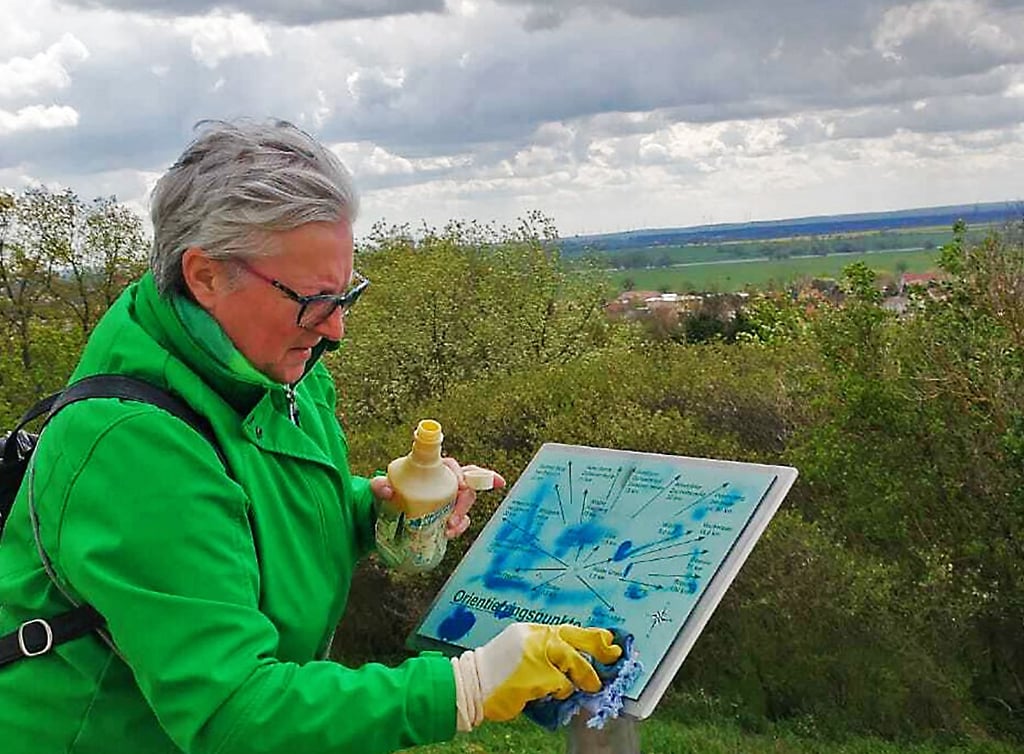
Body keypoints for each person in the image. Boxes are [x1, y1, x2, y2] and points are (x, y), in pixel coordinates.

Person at [0, 119, 620, 754]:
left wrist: (378, 513)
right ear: (206, 276)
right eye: (315, 300)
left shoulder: (273, 363)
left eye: (347, 294)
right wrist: (467, 686)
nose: (336, 330)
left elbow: (255, 511)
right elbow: (234, 714)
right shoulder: (130, 445)